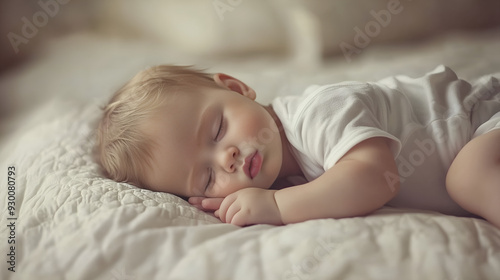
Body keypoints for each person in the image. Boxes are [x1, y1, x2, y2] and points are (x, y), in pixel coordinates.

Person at [97, 64, 500, 228]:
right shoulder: (285, 177)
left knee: (469, 176)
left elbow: (377, 177)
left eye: (218, 129)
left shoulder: (318, 112)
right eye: (206, 176)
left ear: (237, 88)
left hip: (484, 120)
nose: (227, 157)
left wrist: (276, 208)